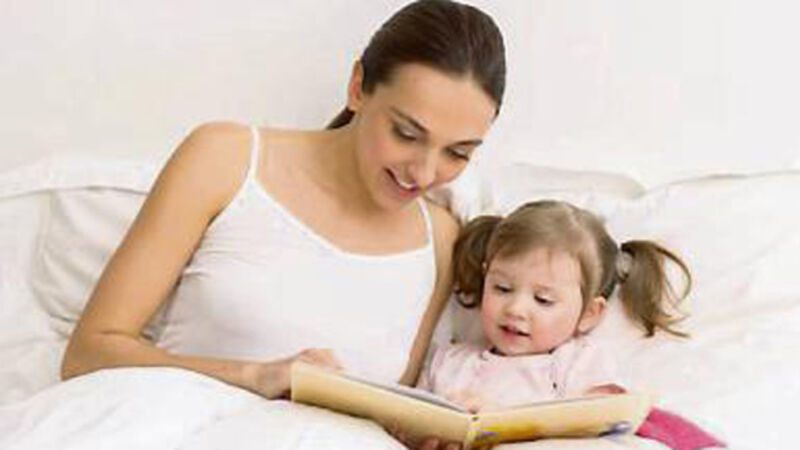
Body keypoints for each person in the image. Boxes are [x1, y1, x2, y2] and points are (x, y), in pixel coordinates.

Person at [56, 1, 504, 448]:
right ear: (358, 88)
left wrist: (424, 431)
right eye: (406, 133)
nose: (424, 173)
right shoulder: (225, 158)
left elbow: (385, 414)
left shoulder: (440, 238)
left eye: (458, 153)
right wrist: (256, 376)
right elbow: (89, 353)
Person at [417, 200, 691, 413]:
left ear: (588, 314)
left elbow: (598, 424)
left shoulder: (578, 365)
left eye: (543, 300)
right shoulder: (450, 363)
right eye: (502, 288)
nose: (515, 309)